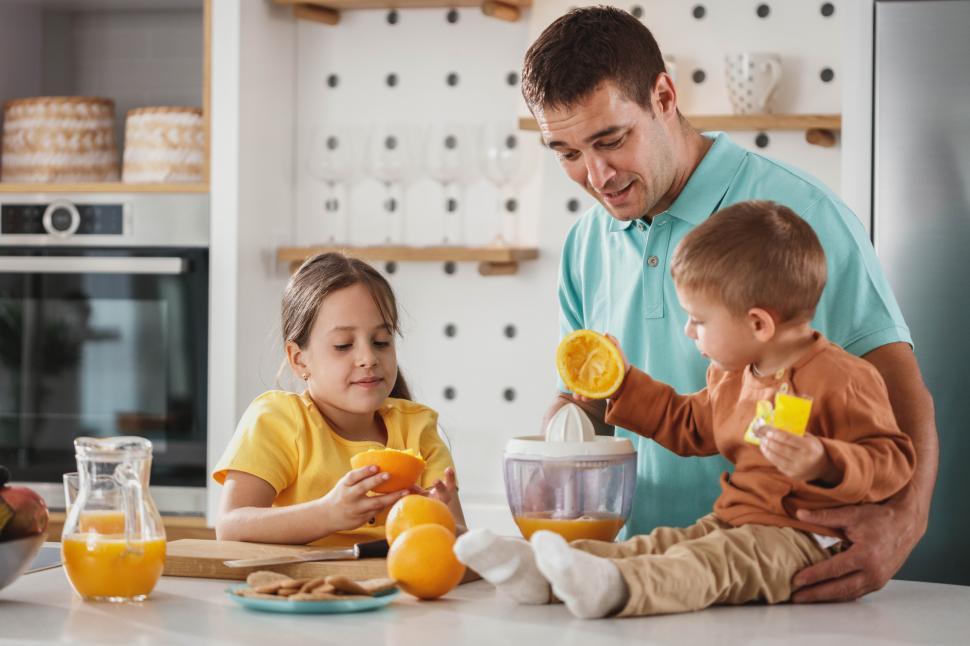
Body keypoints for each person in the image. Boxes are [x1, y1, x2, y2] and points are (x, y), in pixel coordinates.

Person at [524, 6, 937, 603]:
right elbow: (588, 401)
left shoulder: (799, 216)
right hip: (636, 582)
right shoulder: (584, 244)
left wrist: (905, 521)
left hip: (782, 571)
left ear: (664, 95)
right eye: (565, 152)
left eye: (611, 140)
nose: (596, 175)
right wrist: (556, 444)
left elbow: (900, 393)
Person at [455, 200, 916, 618]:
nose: (690, 333)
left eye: (698, 320)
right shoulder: (735, 375)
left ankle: (617, 590)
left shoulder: (844, 379)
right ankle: (542, 573)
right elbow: (688, 424)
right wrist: (623, 383)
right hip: (737, 520)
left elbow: (893, 460)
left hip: (806, 539)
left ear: (758, 323)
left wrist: (825, 460)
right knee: (661, 544)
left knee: (708, 564)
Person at [213, 252, 464, 544]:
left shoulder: (418, 429)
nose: (368, 358)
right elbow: (230, 527)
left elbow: (461, 540)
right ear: (299, 360)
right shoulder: (278, 420)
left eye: (381, 342)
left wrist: (433, 520)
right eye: (343, 345)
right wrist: (328, 513)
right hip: (303, 588)